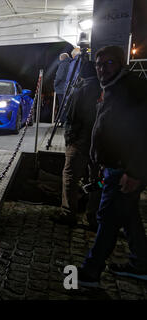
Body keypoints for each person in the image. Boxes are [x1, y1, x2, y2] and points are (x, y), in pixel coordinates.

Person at [77, 46, 147, 288]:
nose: (102, 68)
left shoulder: (132, 89)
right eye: (98, 64)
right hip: (112, 167)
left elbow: (142, 134)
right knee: (129, 218)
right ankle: (141, 263)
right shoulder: (111, 88)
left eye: (109, 63)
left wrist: (135, 172)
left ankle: (90, 273)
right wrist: (98, 163)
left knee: (107, 219)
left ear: (122, 64)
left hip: (123, 169)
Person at [50, 61, 101, 228]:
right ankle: (93, 216)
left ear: (81, 73)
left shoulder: (80, 90)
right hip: (101, 143)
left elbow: (71, 116)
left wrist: (69, 139)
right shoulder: (105, 89)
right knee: (96, 179)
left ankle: (68, 212)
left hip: (80, 141)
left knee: (70, 176)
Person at [60, 48, 82, 124]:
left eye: (72, 55)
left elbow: (71, 77)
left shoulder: (75, 62)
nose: (72, 57)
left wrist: (67, 89)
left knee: (69, 108)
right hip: (79, 88)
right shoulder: (82, 61)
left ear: (74, 54)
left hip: (72, 88)